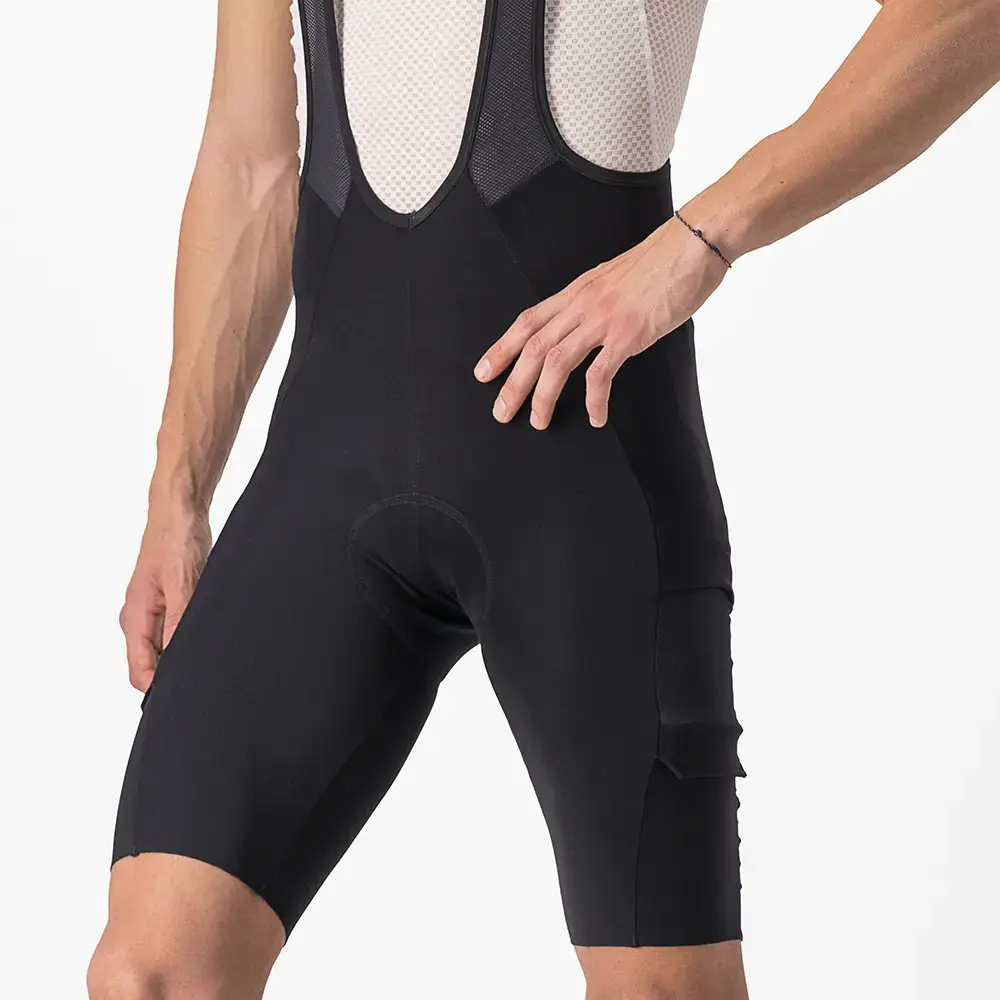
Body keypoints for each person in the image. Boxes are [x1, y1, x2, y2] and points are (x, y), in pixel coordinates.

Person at [87, 1, 1000, 998]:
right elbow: (250, 157)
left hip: (584, 482)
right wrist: (178, 490)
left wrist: (703, 237)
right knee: (150, 974)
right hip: (325, 475)